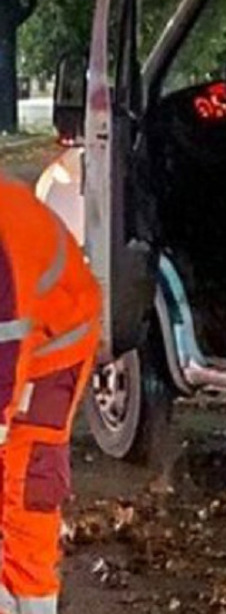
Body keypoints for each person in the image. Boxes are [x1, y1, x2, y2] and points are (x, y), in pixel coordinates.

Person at [0, 171, 102, 614]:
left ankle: (31, 602)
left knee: (26, 482)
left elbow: (8, 343)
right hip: (19, 328)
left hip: (55, 339)